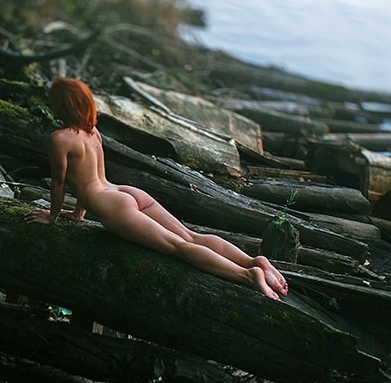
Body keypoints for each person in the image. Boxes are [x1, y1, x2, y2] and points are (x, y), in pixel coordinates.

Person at [26, 77, 289, 300]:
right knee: (191, 236)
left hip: (111, 206)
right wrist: (78, 214)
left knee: (177, 247)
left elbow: (61, 183)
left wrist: (52, 217)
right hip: (124, 192)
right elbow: (93, 175)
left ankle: (248, 275)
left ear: (61, 105)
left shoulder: (60, 139)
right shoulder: (93, 132)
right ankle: (254, 261)